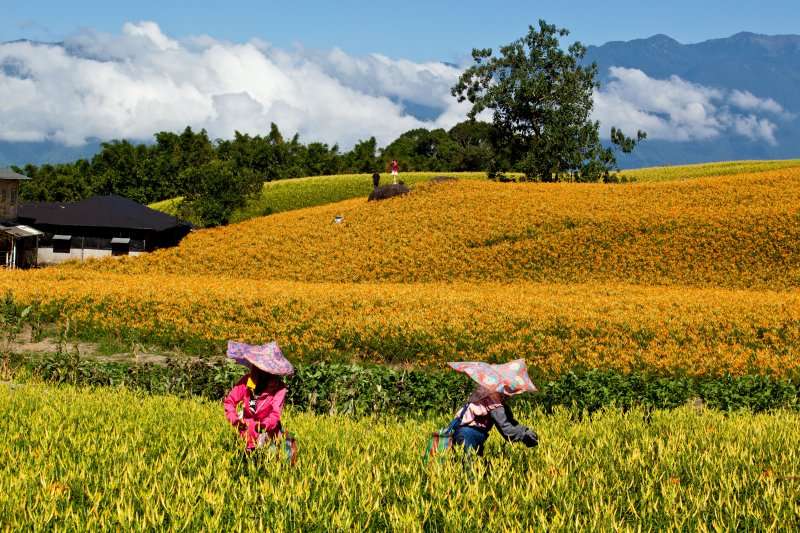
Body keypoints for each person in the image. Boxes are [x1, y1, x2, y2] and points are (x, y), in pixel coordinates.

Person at [450, 385, 538, 459]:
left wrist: (526, 431)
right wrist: (525, 437)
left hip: (469, 432)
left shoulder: (489, 392)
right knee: (469, 470)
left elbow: (510, 421)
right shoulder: (493, 398)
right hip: (467, 433)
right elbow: (505, 428)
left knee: (476, 468)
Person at [224, 365, 287, 452]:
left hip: (268, 437)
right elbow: (229, 402)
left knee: (267, 463)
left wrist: (264, 426)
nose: (264, 371)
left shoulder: (279, 387)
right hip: (245, 434)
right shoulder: (247, 380)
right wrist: (234, 420)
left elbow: (275, 414)